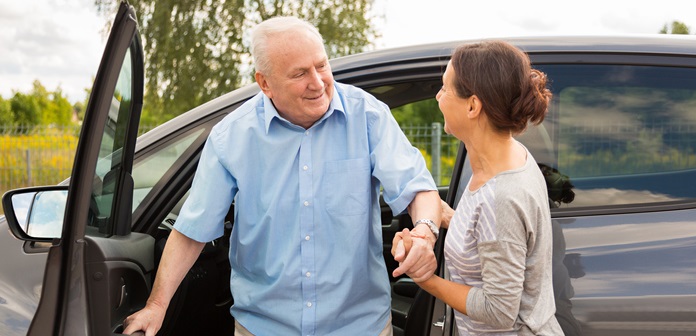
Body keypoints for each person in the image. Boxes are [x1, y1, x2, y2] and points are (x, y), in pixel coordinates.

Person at [123, 16, 441, 336]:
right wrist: (156, 307)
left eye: (321, 65)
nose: (317, 82)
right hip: (263, 328)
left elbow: (417, 188)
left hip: (359, 327)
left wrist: (425, 234)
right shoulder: (231, 138)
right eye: (300, 73)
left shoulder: (368, 116)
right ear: (265, 83)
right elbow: (192, 231)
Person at [392, 40, 563, 335]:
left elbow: (498, 311)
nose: (438, 96)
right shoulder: (509, 157)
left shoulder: (503, 196)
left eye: (445, 88)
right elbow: (491, 236)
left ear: (472, 105)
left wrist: (425, 278)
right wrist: (446, 217)